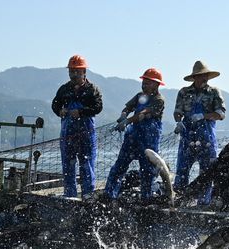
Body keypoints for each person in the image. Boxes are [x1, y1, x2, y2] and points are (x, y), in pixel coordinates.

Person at [104, 68, 165, 202]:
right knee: (119, 167)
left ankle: (146, 199)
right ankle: (109, 195)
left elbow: (143, 113)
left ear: (156, 84)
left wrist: (127, 121)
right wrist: (123, 114)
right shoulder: (139, 96)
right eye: (143, 82)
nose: (144, 85)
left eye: (148, 83)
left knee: (147, 171)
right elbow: (128, 107)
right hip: (132, 139)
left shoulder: (159, 100)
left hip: (149, 142)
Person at [173, 61, 226, 205]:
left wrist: (204, 116)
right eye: (201, 76)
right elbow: (177, 112)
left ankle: (204, 202)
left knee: (207, 171)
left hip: (207, 137)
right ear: (195, 77)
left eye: (206, 76)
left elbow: (221, 114)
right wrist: (179, 122)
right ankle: (180, 200)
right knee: (182, 169)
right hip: (187, 137)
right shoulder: (184, 92)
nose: (204, 78)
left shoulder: (214, 92)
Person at [52, 55, 103, 198]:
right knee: (68, 165)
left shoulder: (92, 89)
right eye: (71, 71)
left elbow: (98, 107)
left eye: (77, 71)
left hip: (86, 133)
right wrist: (59, 111)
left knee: (86, 164)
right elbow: (55, 105)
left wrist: (81, 112)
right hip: (68, 134)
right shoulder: (64, 89)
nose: (74, 74)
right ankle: (70, 195)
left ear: (84, 72)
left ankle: (88, 195)